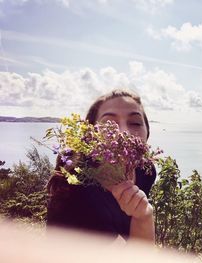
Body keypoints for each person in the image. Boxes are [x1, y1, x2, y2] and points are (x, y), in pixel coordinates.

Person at [46, 89, 156, 242]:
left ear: (147, 132)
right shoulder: (75, 191)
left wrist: (142, 217)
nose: (123, 132)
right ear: (90, 136)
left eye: (135, 123)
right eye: (109, 124)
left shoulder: (146, 171)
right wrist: (143, 219)